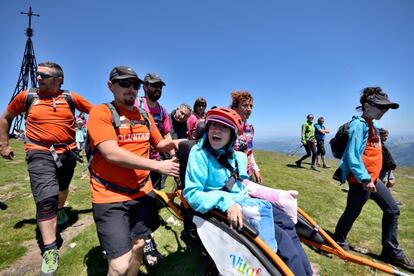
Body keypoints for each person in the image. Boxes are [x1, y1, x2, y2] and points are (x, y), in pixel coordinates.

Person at [184, 108, 313, 275]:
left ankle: (306, 272)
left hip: (247, 200)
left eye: (223, 127)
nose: (216, 130)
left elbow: (239, 183)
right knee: (281, 238)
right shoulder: (199, 153)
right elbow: (192, 194)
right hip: (224, 206)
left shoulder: (231, 155)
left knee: (287, 223)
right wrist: (226, 203)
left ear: (231, 135)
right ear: (207, 129)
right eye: (213, 125)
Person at [0, 61, 93, 275]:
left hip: (68, 152)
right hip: (38, 151)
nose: (38, 77)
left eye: (43, 74)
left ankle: (60, 210)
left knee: (62, 188)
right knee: (46, 197)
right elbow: (5, 118)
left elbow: (96, 112)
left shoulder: (70, 97)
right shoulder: (27, 96)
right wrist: (3, 144)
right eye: (38, 74)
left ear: (58, 79)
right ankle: (50, 249)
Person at [87, 66, 180, 276]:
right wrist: (157, 165)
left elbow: (161, 144)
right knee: (119, 265)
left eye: (135, 85)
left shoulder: (144, 116)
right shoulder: (101, 112)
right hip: (109, 195)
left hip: (141, 192)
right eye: (124, 83)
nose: (131, 88)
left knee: (138, 247)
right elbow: (111, 152)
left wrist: (184, 143)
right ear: (110, 86)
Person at [333, 87, 413, 272]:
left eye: (386, 108)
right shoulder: (358, 125)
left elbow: (373, 148)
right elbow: (352, 155)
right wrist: (364, 178)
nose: (384, 111)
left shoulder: (373, 125)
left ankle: (391, 252)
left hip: (373, 179)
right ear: (367, 106)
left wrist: (381, 136)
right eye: (380, 107)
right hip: (361, 181)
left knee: (392, 210)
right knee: (352, 212)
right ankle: (338, 240)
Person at [231, 91, 263, 183]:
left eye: (251, 106)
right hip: (230, 175)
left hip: (246, 173)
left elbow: (249, 151)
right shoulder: (227, 127)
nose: (249, 109)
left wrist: (255, 169)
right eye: (245, 105)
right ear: (235, 107)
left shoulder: (248, 129)